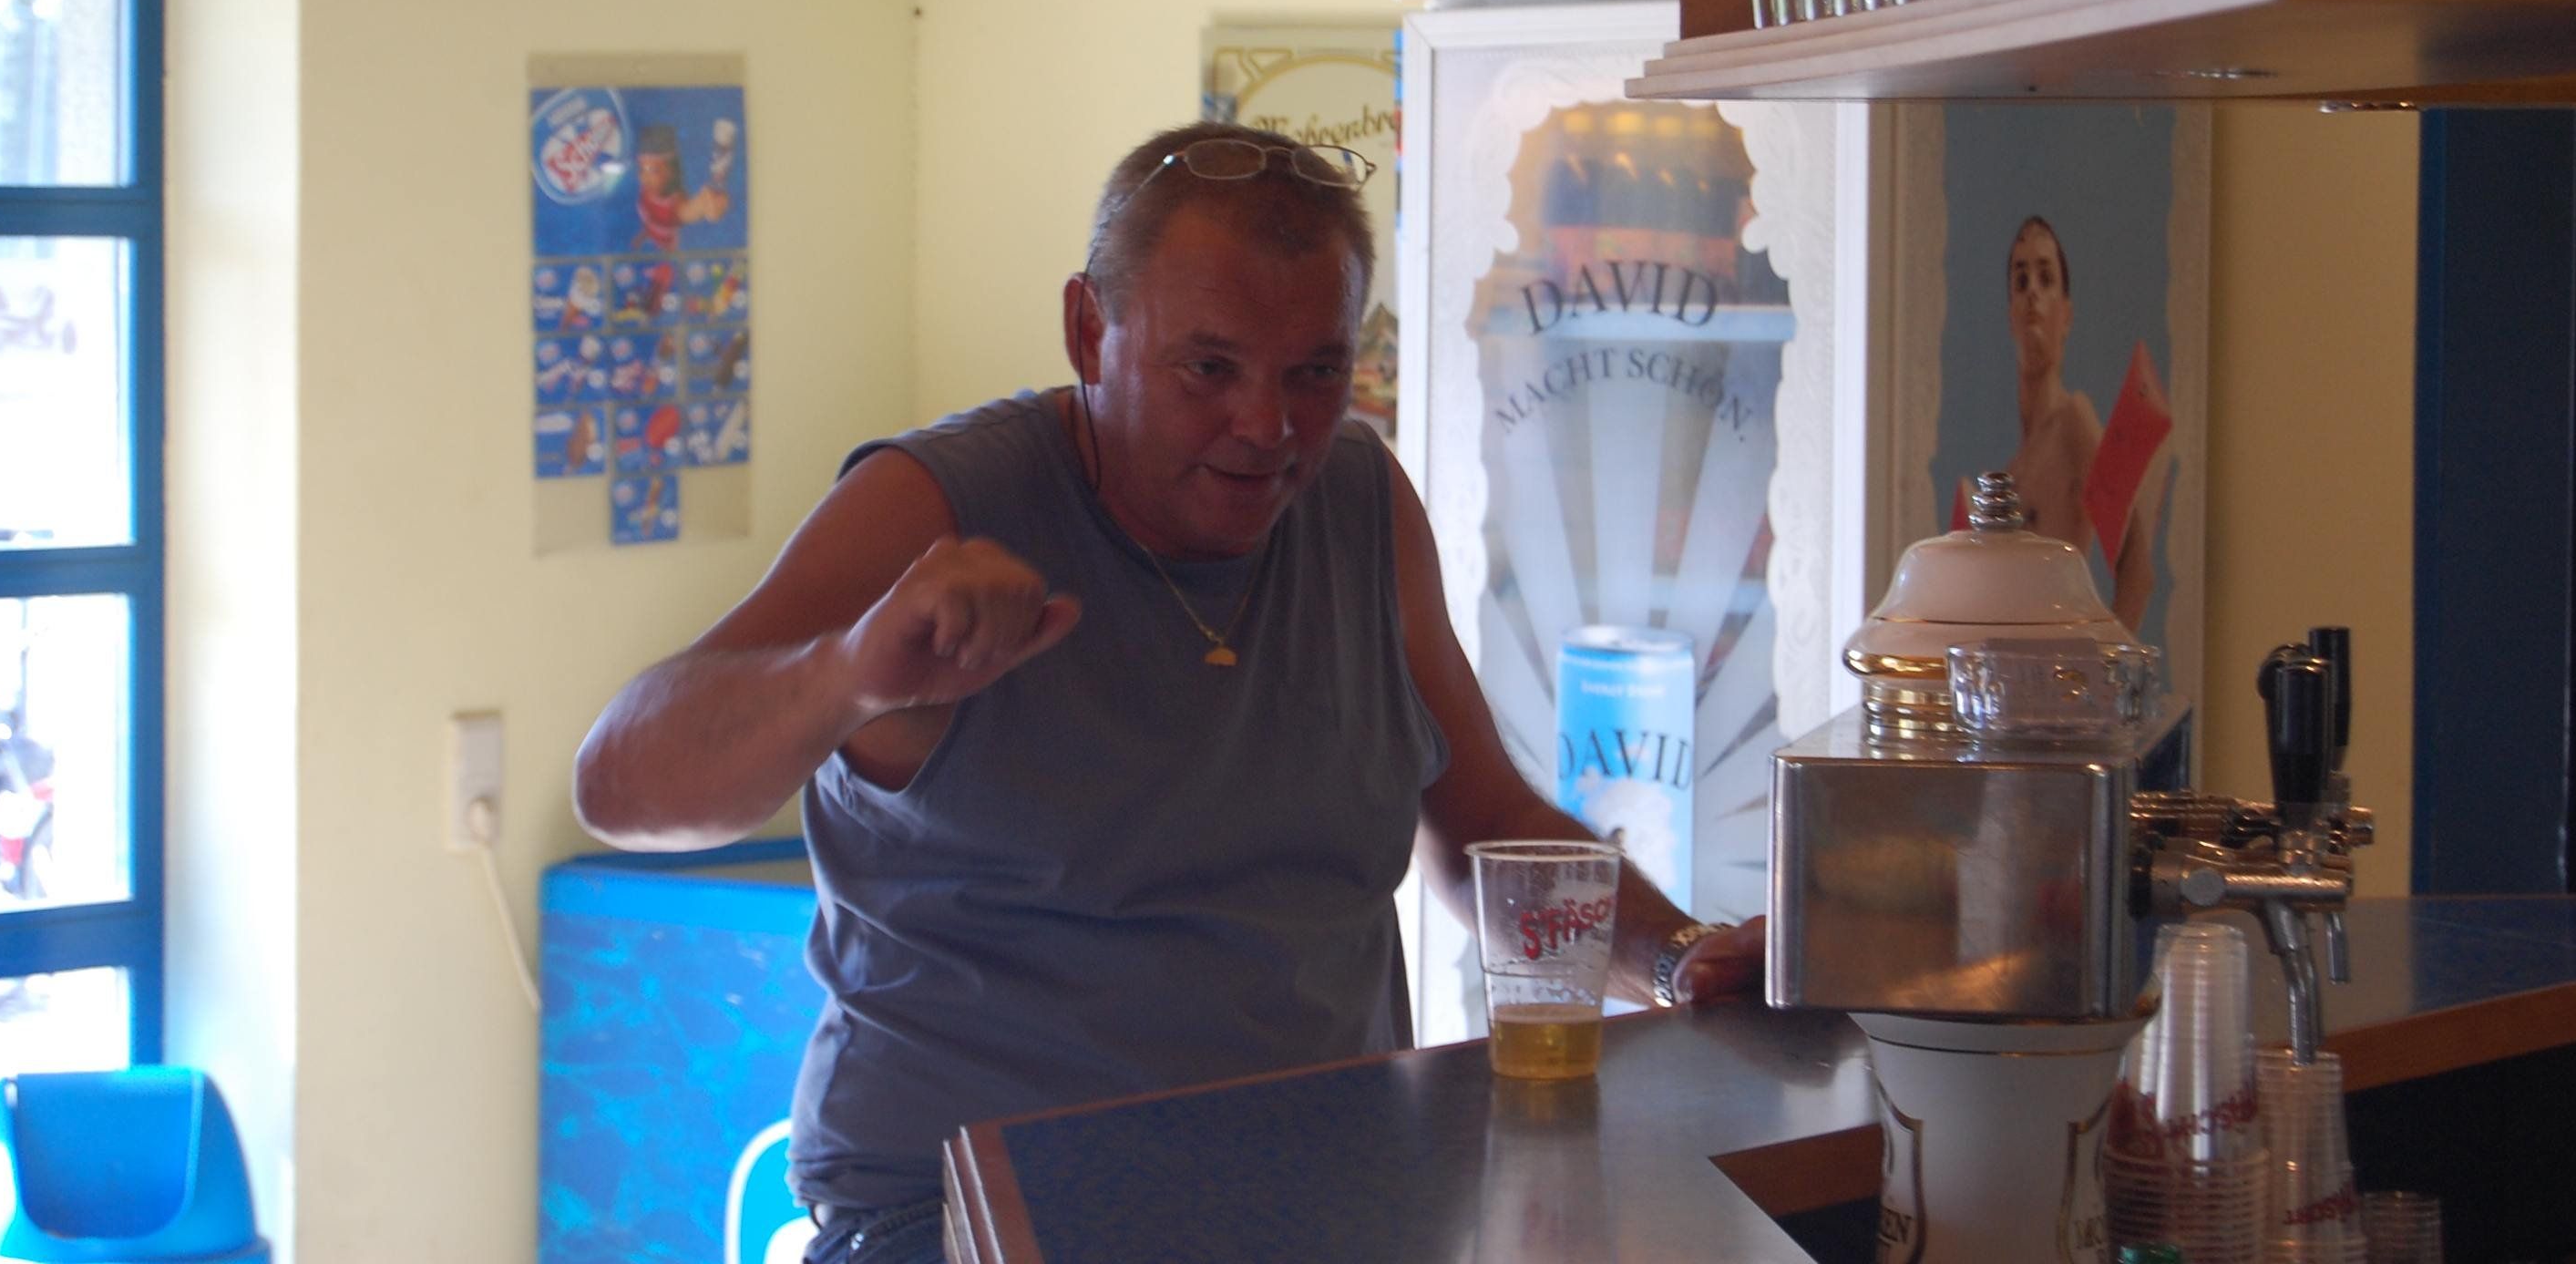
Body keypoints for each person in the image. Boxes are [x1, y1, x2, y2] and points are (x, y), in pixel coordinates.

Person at [573, 121, 1765, 1264]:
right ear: (1088, 329)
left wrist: (1681, 960)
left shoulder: (1358, 501)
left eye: (1316, 371)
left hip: (1323, 1190)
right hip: (967, 1215)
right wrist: (843, 676)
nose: (1268, 425)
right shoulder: (940, 503)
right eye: (1209, 367)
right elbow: (619, 785)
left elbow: (1488, 830)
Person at [1997, 214, 2157, 633]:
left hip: (2064, 659)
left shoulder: (2075, 421)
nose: (2032, 292)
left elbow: (2137, 566)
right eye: (2021, 281)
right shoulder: (2012, 472)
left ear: (2065, 315)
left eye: (2046, 278)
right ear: (2011, 313)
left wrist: (2110, 665)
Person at [631, 121, 734, 253]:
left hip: (665, 255)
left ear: (671, 172)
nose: (645, 178)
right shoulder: (646, 192)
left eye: (653, 170)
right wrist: (643, 236)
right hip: (648, 242)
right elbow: (650, 219)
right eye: (642, 170)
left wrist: (705, 203)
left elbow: (687, 211)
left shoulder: (673, 205)